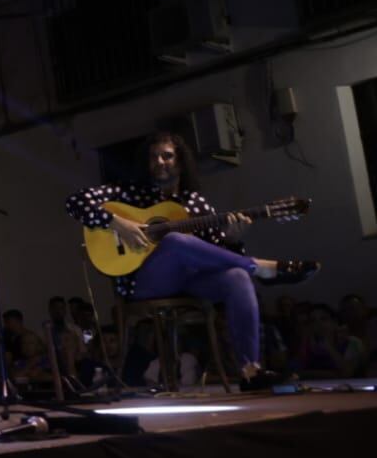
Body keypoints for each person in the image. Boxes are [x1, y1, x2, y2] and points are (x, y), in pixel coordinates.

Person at [65, 130, 316, 391]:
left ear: (181, 162)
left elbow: (217, 255)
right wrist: (119, 223)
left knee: (237, 276)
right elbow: (75, 202)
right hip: (142, 283)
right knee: (175, 241)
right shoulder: (128, 193)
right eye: (153, 157)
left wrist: (231, 239)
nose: (160, 162)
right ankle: (261, 267)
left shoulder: (195, 203)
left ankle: (250, 371)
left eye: (167, 156)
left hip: (189, 282)